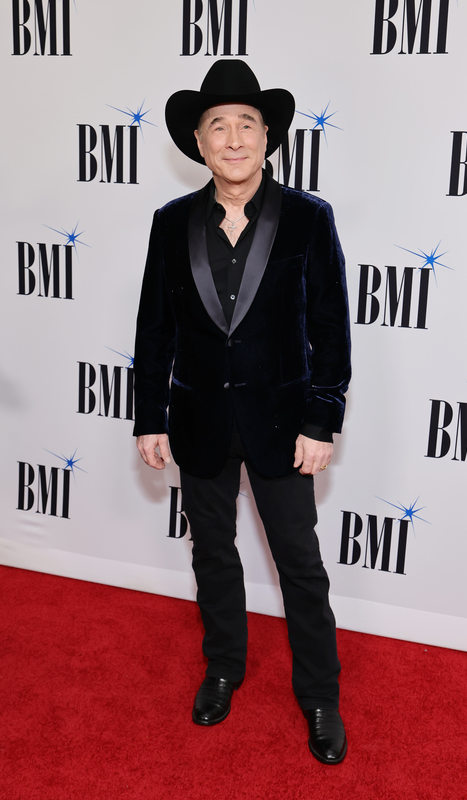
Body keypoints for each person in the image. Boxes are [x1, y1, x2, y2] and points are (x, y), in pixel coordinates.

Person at [133, 59, 351, 765]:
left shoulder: (308, 220)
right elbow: (154, 328)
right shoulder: (170, 223)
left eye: (246, 125)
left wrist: (320, 421)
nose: (233, 139)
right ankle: (223, 668)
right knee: (215, 558)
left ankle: (319, 695)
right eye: (217, 126)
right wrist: (148, 415)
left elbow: (330, 326)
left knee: (300, 566)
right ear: (197, 141)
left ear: (267, 138)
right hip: (197, 421)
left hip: (285, 426)